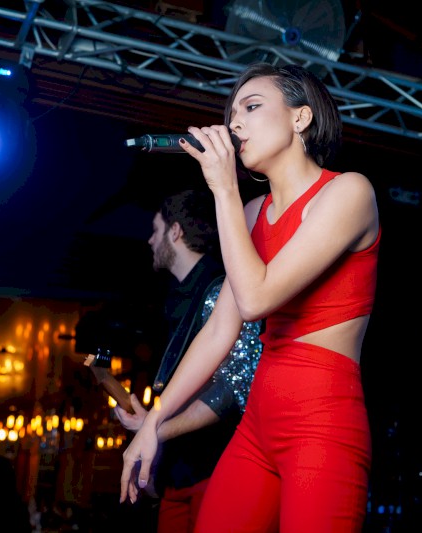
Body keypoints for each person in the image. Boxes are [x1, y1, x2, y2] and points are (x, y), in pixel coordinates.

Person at [120, 62, 381, 532]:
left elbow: (257, 300)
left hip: (322, 423)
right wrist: (155, 421)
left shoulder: (349, 192)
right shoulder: (253, 211)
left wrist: (223, 188)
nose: (234, 123)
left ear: (300, 117)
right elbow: (220, 329)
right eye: (231, 113)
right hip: (258, 422)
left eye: (251, 107)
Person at [114, 189, 263, 533]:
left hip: (214, 469)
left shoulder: (219, 286)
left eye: (156, 230)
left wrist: (153, 429)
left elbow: (233, 388)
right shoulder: (174, 296)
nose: (150, 240)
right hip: (177, 474)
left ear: (176, 231)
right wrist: (151, 427)